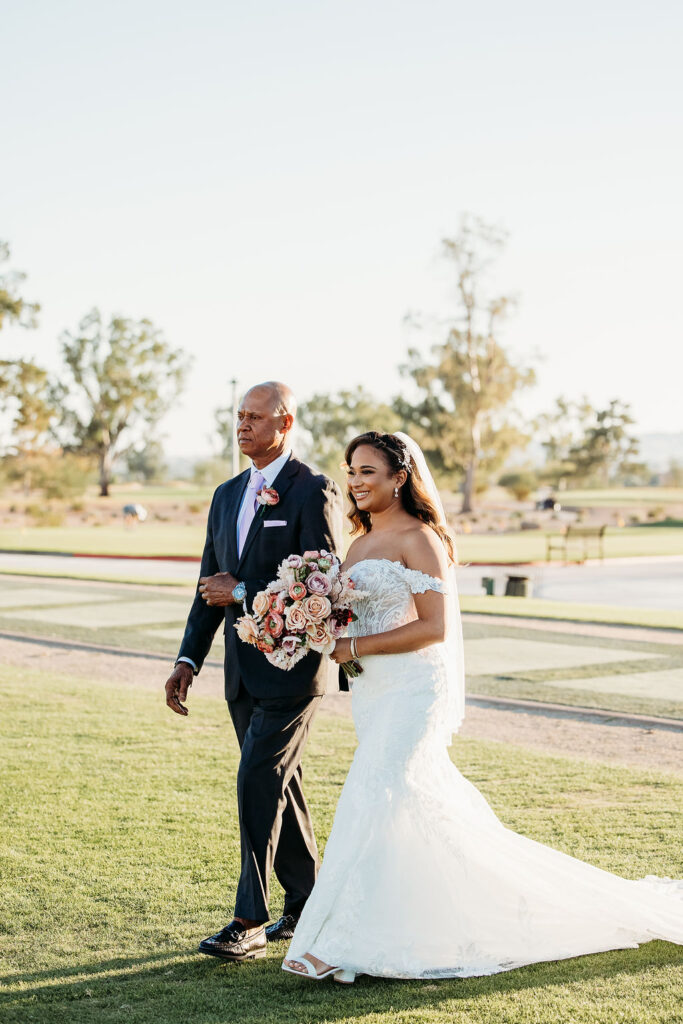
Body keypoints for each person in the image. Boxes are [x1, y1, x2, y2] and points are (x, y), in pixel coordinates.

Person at [282, 430, 683, 984]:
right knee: (405, 806)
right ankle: (403, 923)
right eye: (351, 471)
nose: (354, 482)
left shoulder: (420, 538)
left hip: (413, 691)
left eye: (367, 471)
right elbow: (355, 616)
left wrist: (350, 647)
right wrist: (309, 622)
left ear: (400, 478)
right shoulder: (357, 544)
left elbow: (434, 627)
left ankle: (342, 941)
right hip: (374, 692)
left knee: (377, 792)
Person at [164, 381, 344, 963]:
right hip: (240, 674)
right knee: (278, 785)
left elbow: (322, 586)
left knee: (255, 780)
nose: (242, 426)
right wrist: (188, 659)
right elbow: (207, 588)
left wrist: (240, 589)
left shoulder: (312, 489)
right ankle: (309, 899)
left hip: (294, 673)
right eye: (238, 416)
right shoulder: (225, 495)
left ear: (284, 424)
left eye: (254, 417)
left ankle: (249, 918)